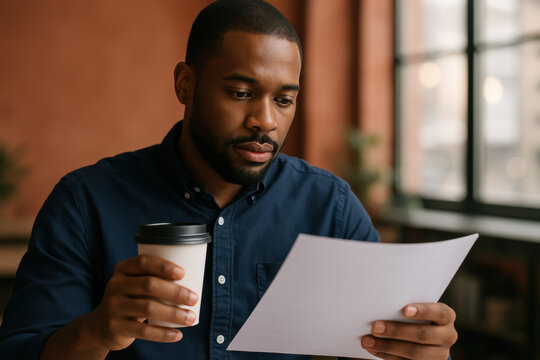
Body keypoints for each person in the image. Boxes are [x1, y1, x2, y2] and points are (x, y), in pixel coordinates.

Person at [0, 1, 457, 359]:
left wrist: (413, 350)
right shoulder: (85, 202)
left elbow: (376, 348)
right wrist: (98, 329)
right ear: (185, 85)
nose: (265, 121)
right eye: (241, 93)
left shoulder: (329, 208)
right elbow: (22, 352)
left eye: (284, 100)